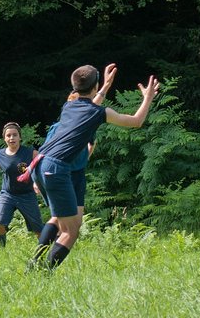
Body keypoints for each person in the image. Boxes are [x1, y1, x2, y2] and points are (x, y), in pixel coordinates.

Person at [31, 64, 157, 270]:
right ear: (94, 85)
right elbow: (136, 121)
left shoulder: (69, 107)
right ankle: (42, 274)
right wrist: (148, 97)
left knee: (65, 223)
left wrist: (105, 86)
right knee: (70, 232)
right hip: (56, 168)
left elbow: (89, 105)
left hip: (40, 165)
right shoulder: (99, 112)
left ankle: (35, 266)